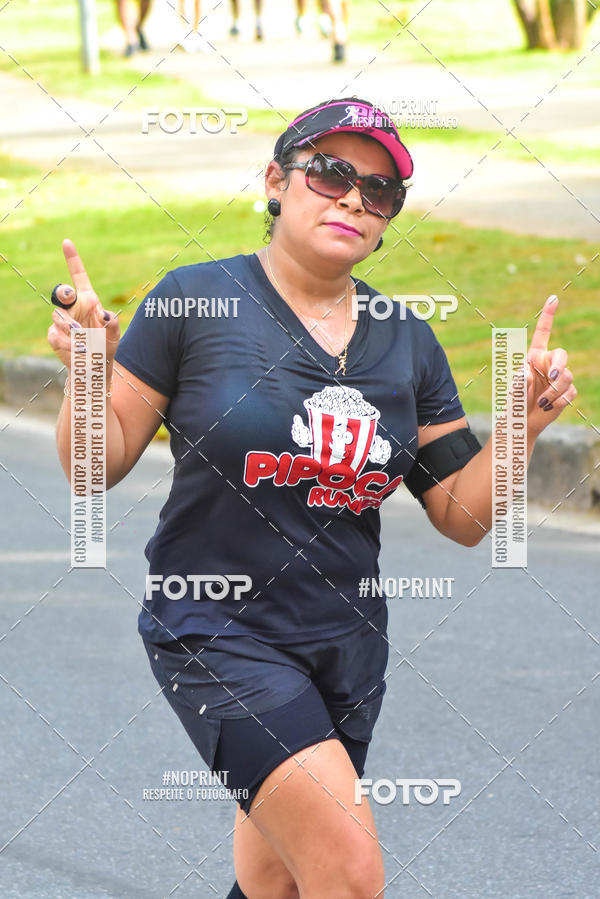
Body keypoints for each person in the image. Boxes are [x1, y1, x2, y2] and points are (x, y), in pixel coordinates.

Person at [48, 96, 576, 898]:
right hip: (217, 630)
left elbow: (462, 514)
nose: (354, 199)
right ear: (275, 180)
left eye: (381, 190)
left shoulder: (407, 340)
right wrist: (86, 369)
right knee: (350, 874)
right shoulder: (194, 301)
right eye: (331, 173)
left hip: (347, 646)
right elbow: (95, 464)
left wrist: (523, 424)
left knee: (283, 884)